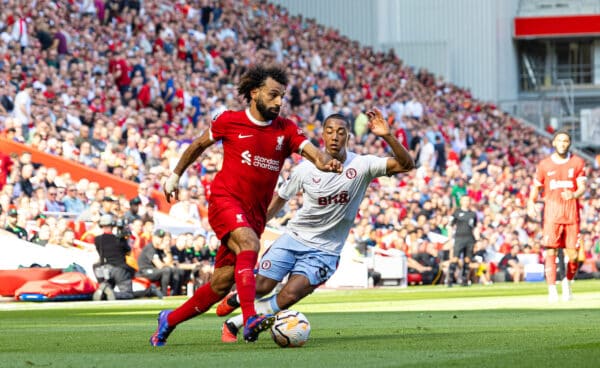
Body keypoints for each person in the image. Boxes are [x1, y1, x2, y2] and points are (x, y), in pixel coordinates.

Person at [150, 64, 343, 346]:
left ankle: (169, 319)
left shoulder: (286, 130)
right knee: (250, 245)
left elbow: (313, 153)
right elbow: (197, 146)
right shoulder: (229, 121)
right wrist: (175, 175)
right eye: (273, 95)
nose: (279, 102)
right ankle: (250, 317)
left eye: (282, 97)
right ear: (255, 92)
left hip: (254, 214)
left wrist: (327, 162)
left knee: (220, 285)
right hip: (225, 200)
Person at [216, 109, 415, 342]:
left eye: (341, 132)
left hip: (326, 250)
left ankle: (234, 324)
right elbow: (281, 197)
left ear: (348, 137)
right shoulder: (305, 169)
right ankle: (236, 299)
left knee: (289, 294)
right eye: (330, 131)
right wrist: (256, 228)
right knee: (261, 285)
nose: (335, 136)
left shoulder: (363, 166)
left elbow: (406, 165)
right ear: (322, 135)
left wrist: (388, 135)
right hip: (294, 237)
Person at [527, 129, 587, 302]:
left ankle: (567, 282)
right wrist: (531, 202)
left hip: (571, 213)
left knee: (574, 255)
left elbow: (582, 187)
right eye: (559, 141)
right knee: (550, 251)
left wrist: (574, 195)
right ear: (553, 143)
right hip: (552, 214)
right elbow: (536, 187)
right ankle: (552, 289)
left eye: (565, 141)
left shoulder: (577, 162)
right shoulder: (544, 165)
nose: (562, 144)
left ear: (569, 143)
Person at [93, 214, 135, 300]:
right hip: (120, 269)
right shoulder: (119, 239)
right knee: (128, 293)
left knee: (107, 286)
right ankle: (114, 294)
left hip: (104, 269)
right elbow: (128, 251)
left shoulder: (97, 239)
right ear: (112, 225)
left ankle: (104, 289)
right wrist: (124, 238)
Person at [446, 196, 477, 287]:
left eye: (468, 200)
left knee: (467, 259)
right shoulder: (457, 212)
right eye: (465, 200)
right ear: (461, 201)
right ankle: (450, 280)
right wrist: (450, 238)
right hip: (459, 238)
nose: (467, 202)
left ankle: (464, 280)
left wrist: (476, 240)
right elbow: (450, 226)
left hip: (469, 238)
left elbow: (474, 227)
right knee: (455, 258)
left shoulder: (472, 214)